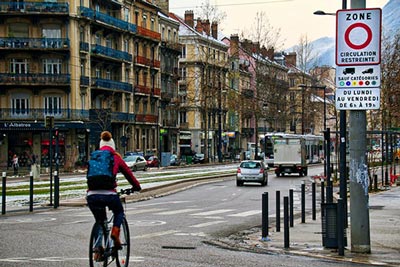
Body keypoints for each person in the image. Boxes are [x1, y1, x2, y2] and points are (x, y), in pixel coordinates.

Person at [86, 131, 141, 261]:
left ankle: (98, 248)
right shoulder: (115, 157)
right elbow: (129, 174)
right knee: (119, 211)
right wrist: (136, 187)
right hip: (110, 194)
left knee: (100, 220)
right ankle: (116, 231)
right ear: (113, 146)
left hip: (92, 195)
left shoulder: (93, 157)